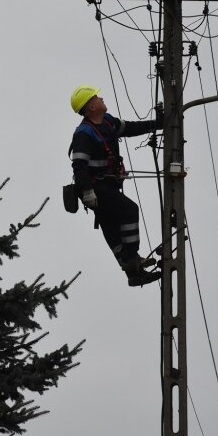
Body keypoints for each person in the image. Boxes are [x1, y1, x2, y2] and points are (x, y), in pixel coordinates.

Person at [68, 85, 162, 287]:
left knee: (112, 229)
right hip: (95, 188)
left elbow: (131, 128)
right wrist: (87, 192)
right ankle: (131, 258)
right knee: (129, 210)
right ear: (91, 107)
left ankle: (135, 275)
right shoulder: (84, 133)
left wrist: (157, 124)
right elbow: (79, 165)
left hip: (108, 185)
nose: (101, 98)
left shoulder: (108, 122)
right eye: (96, 97)